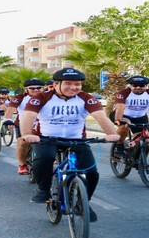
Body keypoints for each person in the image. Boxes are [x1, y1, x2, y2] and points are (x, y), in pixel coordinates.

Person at [20, 68, 120, 222]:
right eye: (68, 83)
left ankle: (83, 202)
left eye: (77, 84)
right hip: (47, 139)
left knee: (92, 173)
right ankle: (43, 190)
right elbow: (28, 116)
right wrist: (27, 134)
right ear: (55, 84)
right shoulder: (42, 97)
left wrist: (111, 133)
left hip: (77, 140)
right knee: (44, 159)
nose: (73, 87)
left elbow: (100, 116)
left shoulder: (86, 98)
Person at [3, 78, 45, 175]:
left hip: (42, 124)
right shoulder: (20, 97)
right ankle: (22, 165)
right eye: (32, 88)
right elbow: (10, 110)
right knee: (22, 143)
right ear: (26, 89)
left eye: (39, 88)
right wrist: (8, 120)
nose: (36, 90)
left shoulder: (48, 97)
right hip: (23, 124)